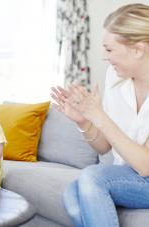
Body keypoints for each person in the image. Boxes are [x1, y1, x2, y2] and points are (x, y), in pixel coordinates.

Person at [51, 3, 149, 227]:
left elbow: (145, 165)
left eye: (110, 49)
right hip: (127, 173)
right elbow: (104, 147)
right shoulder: (115, 78)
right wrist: (84, 120)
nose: (105, 57)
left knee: (91, 177)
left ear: (137, 49)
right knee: (72, 192)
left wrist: (99, 116)